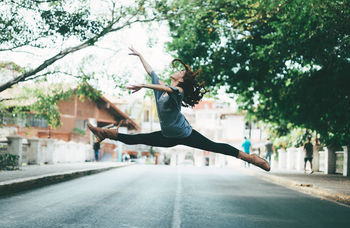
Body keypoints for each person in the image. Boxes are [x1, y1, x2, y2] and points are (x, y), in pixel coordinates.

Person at [87, 47, 270, 171]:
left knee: (215, 147)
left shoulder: (178, 91)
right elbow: (152, 72)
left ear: (181, 80)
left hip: (185, 134)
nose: (177, 71)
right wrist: (140, 55)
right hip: (167, 136)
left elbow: (167, 88)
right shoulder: (163, 92)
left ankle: (250, 158)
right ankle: (104, 134)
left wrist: (144, 86)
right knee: (136, 139)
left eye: (181, 73)